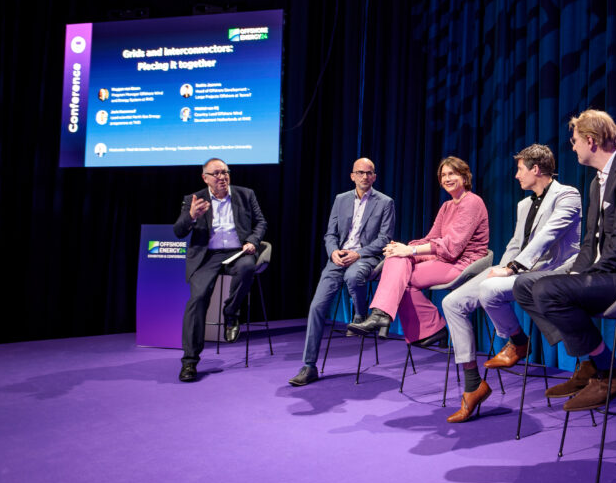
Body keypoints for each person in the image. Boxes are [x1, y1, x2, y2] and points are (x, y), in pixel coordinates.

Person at [513, 110, 616, 412]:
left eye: (575, 140)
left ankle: (611, 370)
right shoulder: (596, 182)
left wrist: (581, 280)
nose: (572, 147)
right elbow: (590, 242)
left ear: (591, 140)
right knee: (525, 286)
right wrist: (577, 273)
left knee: (549, 290)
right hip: (609, 270)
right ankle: (591, 361)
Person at [441, 144, 581, 423]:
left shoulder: (567, 195)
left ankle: (517, 341)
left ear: (535, 169)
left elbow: (548, 236)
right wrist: (503, 267)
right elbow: (516, 244)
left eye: (519, 169)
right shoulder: (523, 204)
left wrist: (513, 268)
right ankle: (473, 385)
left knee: (489, 289)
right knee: (452, 302)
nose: (516, 176)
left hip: (554, 272)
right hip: (518, 270)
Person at [348, 156, 489, 350]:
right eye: (443, 175)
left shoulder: (472, 202)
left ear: (464, 178)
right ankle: (382, 315)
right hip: (444, 258)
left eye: (452, 174)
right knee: (397, 259)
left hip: (463, 263)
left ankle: (427, 325)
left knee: (401, 279)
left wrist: (411, 250)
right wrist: (401, 248)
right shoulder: (447, 206)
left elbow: (453, 246)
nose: (447, 178)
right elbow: (432, 238)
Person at [288, 158, 396, 387]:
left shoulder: (385, 202)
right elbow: (330, 234)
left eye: (369, 173)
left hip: (366, 257)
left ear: (374, 177)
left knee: (353, 276)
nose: (365, 176)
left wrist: (359, 253)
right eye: (360, 172)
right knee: (316, 307)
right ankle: (309, 366)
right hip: (338, 258)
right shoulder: (341, 199)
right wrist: (333, 252)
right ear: (352, 176)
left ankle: (360, 316)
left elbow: (385, 238)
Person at [173, 158, 266, 382]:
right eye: (216, 173)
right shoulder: (194, 199)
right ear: (205, 178)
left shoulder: (245, 194)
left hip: (238, 251)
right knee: (197, 300)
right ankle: (189, 361)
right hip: (207, 256)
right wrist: (191, 216)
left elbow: (261, 222)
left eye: (225, 172)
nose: (222, 177)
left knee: (247, 268)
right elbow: (178, 231)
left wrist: (252, 240)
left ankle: (231, 313)